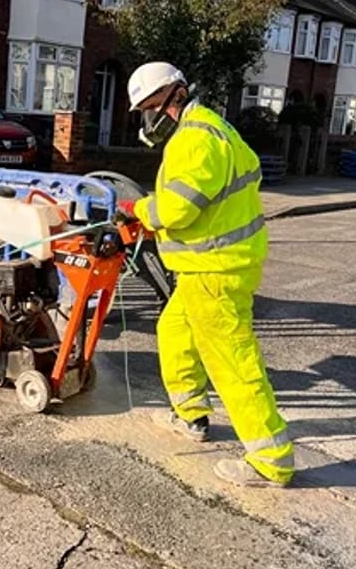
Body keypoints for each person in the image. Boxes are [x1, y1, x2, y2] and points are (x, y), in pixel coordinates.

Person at [120, 61, 294, 488]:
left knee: (233, 362)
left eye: (150, 106)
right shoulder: (214, 127)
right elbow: (243, 177)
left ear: (175, 95)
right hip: (209, 266)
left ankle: (271, 460)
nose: (147, 117)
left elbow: (177, 208)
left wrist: (139, 210)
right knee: (174, 332)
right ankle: (191, 414)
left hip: (213, 270)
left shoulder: (193, 140)